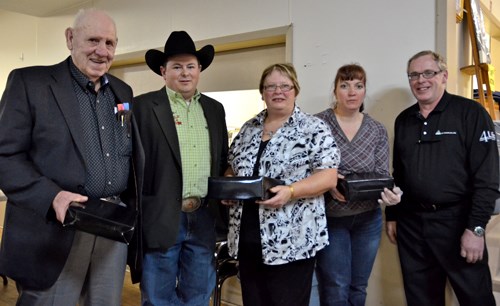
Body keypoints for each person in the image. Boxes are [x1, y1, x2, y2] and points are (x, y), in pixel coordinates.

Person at [0, 8, 144, 306]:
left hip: (111, 226)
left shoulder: (122, 91)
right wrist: (52, 196)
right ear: (70, 38)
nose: (102, 51)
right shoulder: (31, 83)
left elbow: (125, 149)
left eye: (110, 43)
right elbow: (5, 156)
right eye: (93, 40)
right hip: (55, 228)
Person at [385, 50, 499, 306]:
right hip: (412, 226)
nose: (421, 80)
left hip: (459, 223)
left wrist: (476, 229)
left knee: (475, 298)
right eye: (414, 75)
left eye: (429, 73)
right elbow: (399, 174)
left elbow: (488, 178)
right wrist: (392, 215)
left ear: (444, 76)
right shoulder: (404, 120)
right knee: (421, 299)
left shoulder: (471, 113)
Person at [222, 63, 340, 306]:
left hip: (292, 241)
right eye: (271, 86)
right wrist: (229, 186)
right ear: (262, 92)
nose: (278, 91)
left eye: (285, 86)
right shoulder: (248, 128)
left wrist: (292, 191)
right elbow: (232, 166)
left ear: (295, 90)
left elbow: (328, 177)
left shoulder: (313, 128)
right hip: (248, 239)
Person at [133, 31, 228, 306]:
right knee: (157, 297)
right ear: (163, 71)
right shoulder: (143, 107)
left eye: (190, 66)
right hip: (162, 216)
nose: (184, 73)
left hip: (204, 218)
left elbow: (222, 159)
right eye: (177, 67)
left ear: (199, 70)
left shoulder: (214, 109)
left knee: (198, 295)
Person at [311, 64, 402, 306]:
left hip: (368, 220)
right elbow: (306, 169)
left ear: (364, 92)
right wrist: (328, 182)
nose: (352, 92)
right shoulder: (317, 124)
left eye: (358, 86)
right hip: (331, 218)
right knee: (335, 287)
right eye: (345, 85)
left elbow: (382, 174)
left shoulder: (376, 130)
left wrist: (389, 194)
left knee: (358, 287)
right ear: (335, 91)